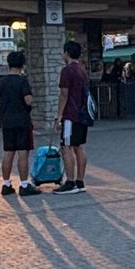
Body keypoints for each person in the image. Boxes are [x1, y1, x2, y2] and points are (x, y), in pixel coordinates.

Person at [0, 50, 39, 196]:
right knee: (23, 152)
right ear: (22, 64)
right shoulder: (22, 81)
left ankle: (6, 184)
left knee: (8, 152)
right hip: (22, 121)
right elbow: (28, 100)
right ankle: (24, 185)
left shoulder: (1, 81)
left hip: (7, 121)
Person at [54, 40, 91, 194]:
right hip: (83, 115)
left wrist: (59, 115)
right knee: (79, 147)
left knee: (66, 147)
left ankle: (70, 182)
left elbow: (64, 94)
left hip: (71, 114)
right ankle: (80, 180)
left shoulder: (67, 71)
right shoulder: (82, 71)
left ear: (66, 53)